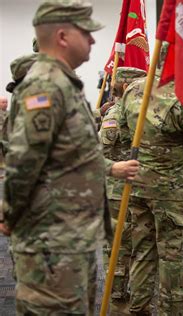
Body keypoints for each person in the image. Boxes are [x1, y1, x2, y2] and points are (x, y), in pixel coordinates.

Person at [0, 1, 140, 314]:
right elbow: (23, 163)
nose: (92, 40)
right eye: (86, 33)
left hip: (72, 237)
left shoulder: (64, 85)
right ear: (63, 36)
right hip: (51, 242)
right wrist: (9, 214)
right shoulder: (44, 87)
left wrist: (112, 168)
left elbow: (72, 157)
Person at [119, 68, 183, 313]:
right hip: (173, 193)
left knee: (142, 253)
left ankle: (138, 309)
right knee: (175, 259)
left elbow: (124, 133)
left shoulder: (133, 89)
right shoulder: (182, 94)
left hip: (139, 186)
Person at [99, 67, 146, 313]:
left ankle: (137, 295)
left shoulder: (138, 112)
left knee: (138, 245)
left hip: (137, 189)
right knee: (119, 245)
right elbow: (105, 151)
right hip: (119, 190)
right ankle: (118, 296)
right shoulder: (118, 114)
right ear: (127, 87)